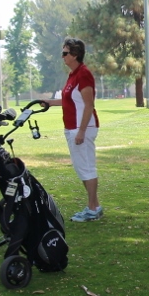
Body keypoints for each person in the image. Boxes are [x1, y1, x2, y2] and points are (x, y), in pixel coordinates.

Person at [61, 37, 102, 221]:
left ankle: (92, 209)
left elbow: (88, 104)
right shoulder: (72, 75)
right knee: (81, 168)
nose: (62, 57)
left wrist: (82, 131)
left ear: (75, 55)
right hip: (72, 126)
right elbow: (68, 101)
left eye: (65, 53)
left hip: (82, 127)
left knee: (87, 168)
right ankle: (95, 205)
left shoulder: (83, 74)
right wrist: (45, 102)